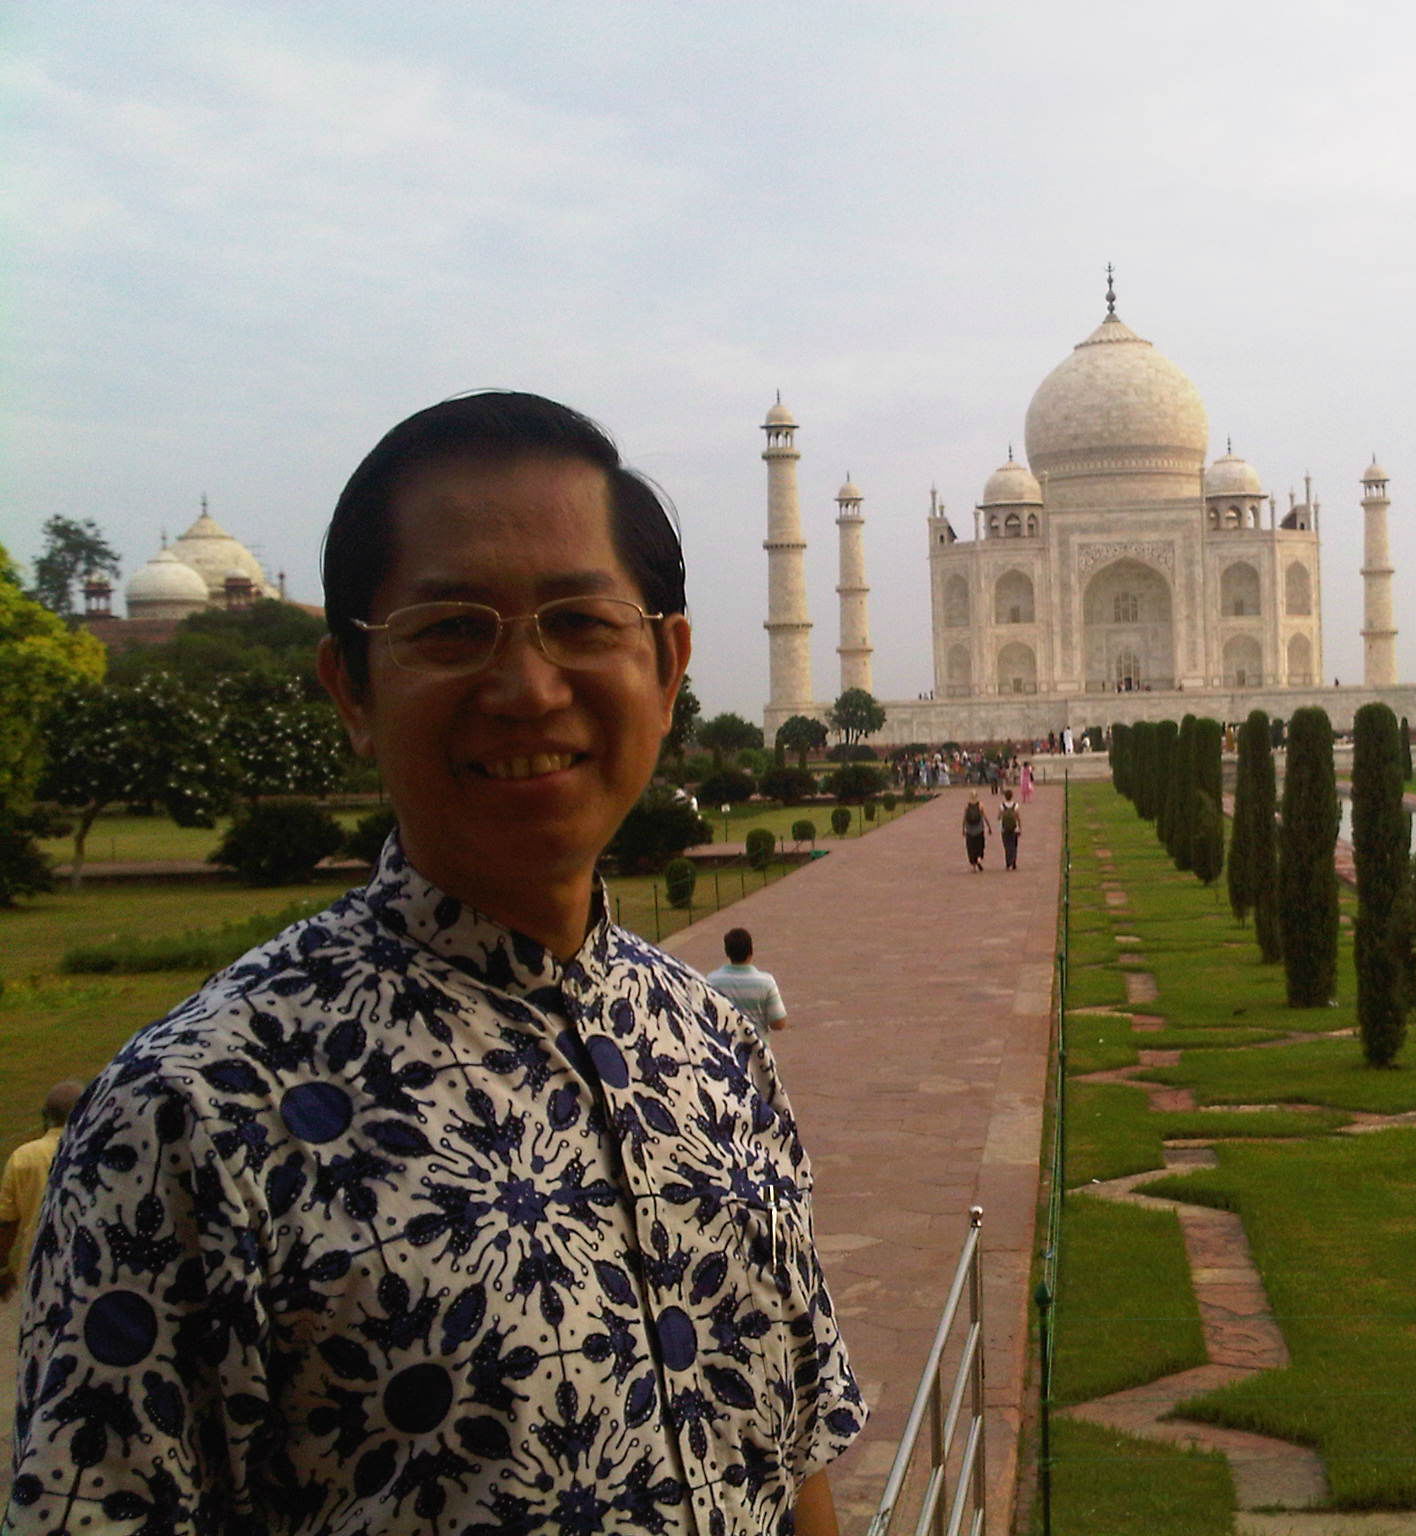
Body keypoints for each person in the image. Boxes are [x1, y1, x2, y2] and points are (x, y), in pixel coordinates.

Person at [12, 393, 864, 1536]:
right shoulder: (185, 1123)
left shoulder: (711, 1045)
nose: (526, 688)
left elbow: (793, 1448)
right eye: (453, 629)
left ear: (665, 667)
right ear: (350, 692)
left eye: (580, 621)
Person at [0, 1080, 83, 1304]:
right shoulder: (101, 1150)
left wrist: (3, 1268)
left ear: (46, 1115)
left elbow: (6, 1223)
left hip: (39, 1271)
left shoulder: (24, 1157)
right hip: (88, 1271)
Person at [706, 925, 791, 1032]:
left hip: (725, 1045)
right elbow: (778, 1023)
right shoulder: (766, 982)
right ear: (751, 951)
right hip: (757, 1045)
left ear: (727, 953)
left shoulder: (712, 981)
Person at [998, 792, 1023, 871]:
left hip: (1004, 829)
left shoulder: (1002, 806)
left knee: (1007, 846)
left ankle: (1008, 863)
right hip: (1014, 828)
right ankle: (1014, 862)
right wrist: (1020, 827)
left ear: (1005, 797)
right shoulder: (1015, 805)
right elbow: (1018, 817)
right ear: (1012, 796)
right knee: (1014, 845)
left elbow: (999, 817)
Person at [962, 794, 988, 871]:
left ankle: (973, 866)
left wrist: (963, 828)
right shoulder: (980, 805)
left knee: (971, 848)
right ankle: (979, 858)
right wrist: (989, 826)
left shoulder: (967, 806)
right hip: (979, 829)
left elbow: (964, 819)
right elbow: (984, 817)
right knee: (980, 846)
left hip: (969, 830)